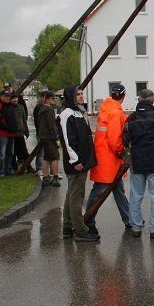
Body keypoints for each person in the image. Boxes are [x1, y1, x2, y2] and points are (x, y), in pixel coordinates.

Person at [86, 84, 131, 237]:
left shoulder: (106, 109)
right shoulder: (116, 113)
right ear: (124, 96)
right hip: (109, 159)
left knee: (118, 189)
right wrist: (122, 153)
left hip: (104, 156)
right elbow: (114, 139)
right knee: (99, 191)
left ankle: (129, 219)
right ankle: (87, 221)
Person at [59, 85, 99, 242]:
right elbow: (68, 140)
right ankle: (80, 230)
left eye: (82, 93)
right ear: (71, 96)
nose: (81, 96)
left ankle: (67, 226)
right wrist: (75, 160)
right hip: (76, 162)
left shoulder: (79, 112)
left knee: (71, 193)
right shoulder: (67, 114)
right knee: (77, 196)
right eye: (78, 94)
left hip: (82, 160)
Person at [124, 89, 154, 238]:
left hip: (136, 161)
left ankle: (136, 227)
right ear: (152, 101)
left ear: (139, 100)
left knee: (136, 195)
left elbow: (125, 140)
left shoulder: (131, 118)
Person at [36, 91, 61, 187]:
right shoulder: (49, 110)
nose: (54, 100)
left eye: (55, 98)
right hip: (49, 137)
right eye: (52, 98)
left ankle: (45, 177)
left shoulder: (42, 109)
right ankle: (55, 177)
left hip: (43, 136)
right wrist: (56, 138)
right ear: (47, 100)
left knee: (46, 157)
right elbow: (51, 126)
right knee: (55, 157)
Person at [0, 90, 17, 178]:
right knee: (2, 153)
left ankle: (7, 170)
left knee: (10, 153)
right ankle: (0, 172)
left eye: (9, 96)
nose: (7, 98)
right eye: (6, 96)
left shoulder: (11, 106)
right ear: (1, 96)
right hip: (2, 133)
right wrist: (7, 128)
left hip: (11, 133)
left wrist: (14, 129)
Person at [10, 94, 34, 173]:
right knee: (13, 151)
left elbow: (24, 120)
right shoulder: (8, 108)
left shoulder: (21, 107)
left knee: (24, 151)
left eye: (16, 98)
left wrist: (26, 131)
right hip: (12, 132)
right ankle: (14, 168)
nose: (15, 100)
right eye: (13, 98)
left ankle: (28, 167)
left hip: (20, 132)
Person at [32, 90, 48, 177]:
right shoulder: (38, 108)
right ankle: (39, 168)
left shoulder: (47, 107)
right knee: (41, 151)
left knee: (46, 152)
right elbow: (38, 122)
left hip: (46, 133)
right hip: (41, 132)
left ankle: (45, 169)